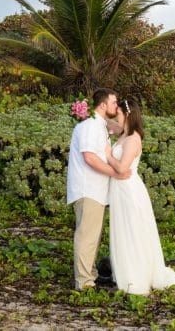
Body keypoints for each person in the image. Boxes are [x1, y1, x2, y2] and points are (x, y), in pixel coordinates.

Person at [105, 99, 175, 294]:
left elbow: (123, 167)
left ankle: (136, 275)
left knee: (132, 232)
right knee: (124, 231)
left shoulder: (133, 139)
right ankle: (127, 269)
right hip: (120, 190)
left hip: (129, 191)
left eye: (119, 112)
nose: (116, 114)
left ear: (127, 115)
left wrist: (108, 155)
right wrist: (89, 114)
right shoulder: (124, 133)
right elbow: (109, 125)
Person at [66, 87, 130, 290]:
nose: (116, 105)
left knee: (93, 236)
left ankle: (90, 274)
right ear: (103, 105)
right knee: (86, 237)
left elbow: (120, 129)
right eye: (113, 102)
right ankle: (84, 282)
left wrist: (122, 116)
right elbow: (90, 157)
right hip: (88, 188)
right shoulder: (90, 126)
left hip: (97, 191)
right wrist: (115, 173)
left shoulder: (99, 124)